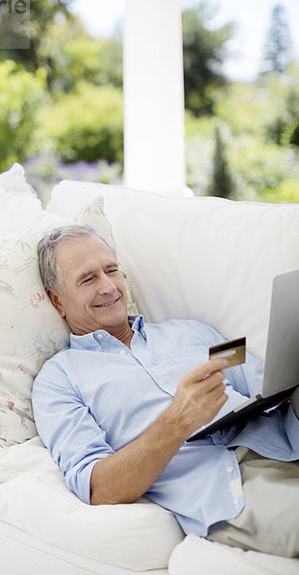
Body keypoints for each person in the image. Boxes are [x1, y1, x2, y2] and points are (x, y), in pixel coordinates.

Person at [31, 224, 299, 558]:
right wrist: (176, 422)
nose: (108, 287)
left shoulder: (192, 331)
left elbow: (269, 380)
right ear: (57, 300)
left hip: (288, 442)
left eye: (112, 270)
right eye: (88, 279)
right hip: (232, 488)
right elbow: (97, 487)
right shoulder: (57, 381)